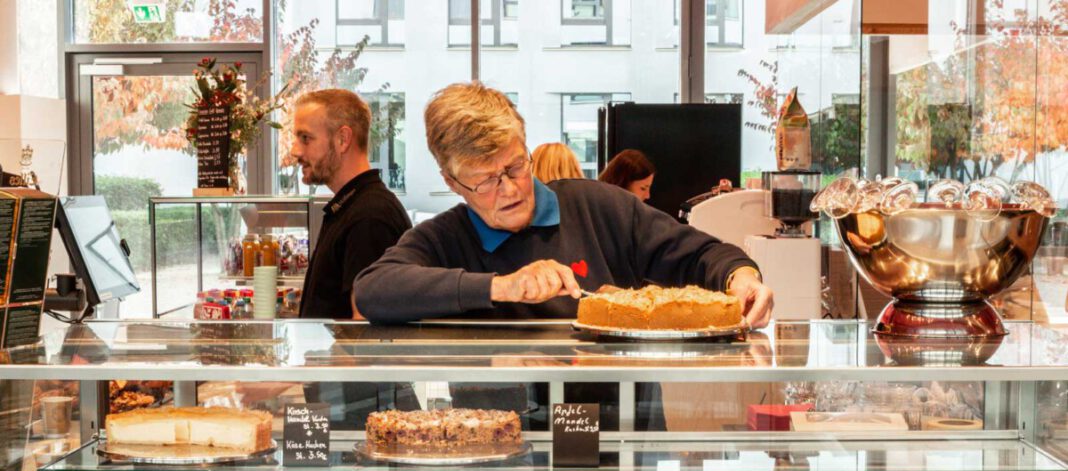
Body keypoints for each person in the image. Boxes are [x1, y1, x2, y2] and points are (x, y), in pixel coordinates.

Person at [355, 82, 773, 326]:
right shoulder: (444, 237)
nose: (510, 189)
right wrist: (501, 286)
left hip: (619, 444)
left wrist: (740, 276)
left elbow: (701, 253)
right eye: (485, 181)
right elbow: (373, 291)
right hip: (499, 458)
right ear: (453, 183)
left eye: (516, 166)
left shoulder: (600, 208)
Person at [290, 88, 412, 319]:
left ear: (342, 140)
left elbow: (364, 329)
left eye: (305, 138)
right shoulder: (352, 206)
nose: (295, 150)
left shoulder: (370, 217)